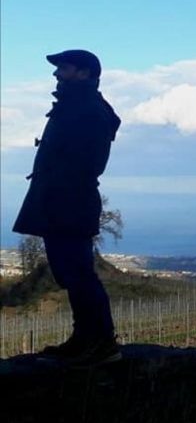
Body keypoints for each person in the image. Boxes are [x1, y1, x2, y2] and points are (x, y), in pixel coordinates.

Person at [13, 49, 123, 367]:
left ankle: (100, 344)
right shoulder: (77, 105)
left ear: (84, 73)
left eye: (64, 67)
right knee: (71, 273)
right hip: (62, 201)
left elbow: (88, 163)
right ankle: (84, 339)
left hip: (69, 202)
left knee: (78, 274)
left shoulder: (88, 110)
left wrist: (58, 187)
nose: (56, 73)